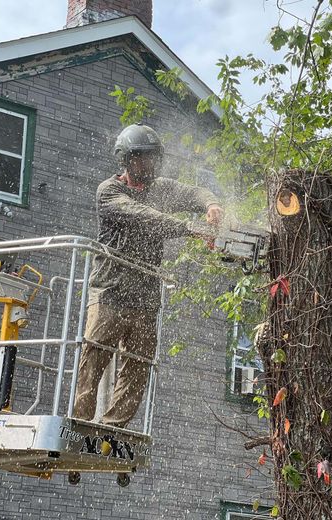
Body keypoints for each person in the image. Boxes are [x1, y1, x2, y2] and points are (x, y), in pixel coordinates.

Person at [73, 123, 224, 429]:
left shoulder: (162, 188)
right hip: (110, 293)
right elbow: (145, 219)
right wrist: (188, 228)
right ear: (127, 160)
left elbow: (195, 191)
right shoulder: (110, 191)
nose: (150, 164)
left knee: (138, 367)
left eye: (153, 158)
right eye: (143, 158)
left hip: (145, 296)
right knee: (93, 360)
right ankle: (79, 424)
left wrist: (211, 204)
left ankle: (114, 427)